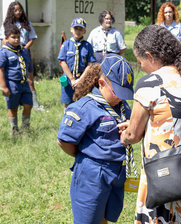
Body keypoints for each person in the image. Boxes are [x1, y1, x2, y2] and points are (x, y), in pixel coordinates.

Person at [118, 25, 181, 223]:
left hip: (161, 177)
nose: (141, 66)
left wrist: (125, 135)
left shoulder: (149, 83)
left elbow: (133, 135)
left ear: (150, 56)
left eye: (140, 61)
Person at [57, 54, 134, 224]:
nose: (121, 97)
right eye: (117, 92)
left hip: (117, 172)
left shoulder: (122, 106)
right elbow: (64, 141)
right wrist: (86, 156)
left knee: (104, 217)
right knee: (88, 219)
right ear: (101, 84)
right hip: (92, 175)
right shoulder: (84, 108)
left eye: (125, 93)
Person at [0, 1, 42, 110]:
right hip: (11, 54)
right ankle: (16, 104)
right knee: (14, 80)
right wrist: (14, 49)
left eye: (20, 10)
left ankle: (35, 104)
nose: (18, 12)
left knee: (30, 79)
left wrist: (23, 49)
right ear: (11, 11)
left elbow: (32, 38)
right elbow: (3, 40)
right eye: (15, 10)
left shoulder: (27, 23)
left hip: (24, 52)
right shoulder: (6, 25)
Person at [0, 25, 33, 135]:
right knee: (13, 108)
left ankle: (26, 128)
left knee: (28, 105)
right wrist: (4, 87)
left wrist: (31, 80)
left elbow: (29, 66)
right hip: (12, 84)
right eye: (13, 37)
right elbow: (1, 69)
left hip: (25, 83)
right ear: (7, 38)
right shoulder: (4, 52)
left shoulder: (23, 50)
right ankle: (14, 130)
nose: (16, 39)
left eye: (18, 37)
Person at [58, 18, 96, 108]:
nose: (78, 31)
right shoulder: (66, 44)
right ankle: (68, 120)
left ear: (84, 31)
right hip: (68, 79)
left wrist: (80, 79)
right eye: (76, 28)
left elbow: (90, 64)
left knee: (82, 103)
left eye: (80, 29)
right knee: (68, 103)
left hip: (82, 79)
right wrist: (71, 79)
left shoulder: (87, 46)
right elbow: (62, 62)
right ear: (71, 29)